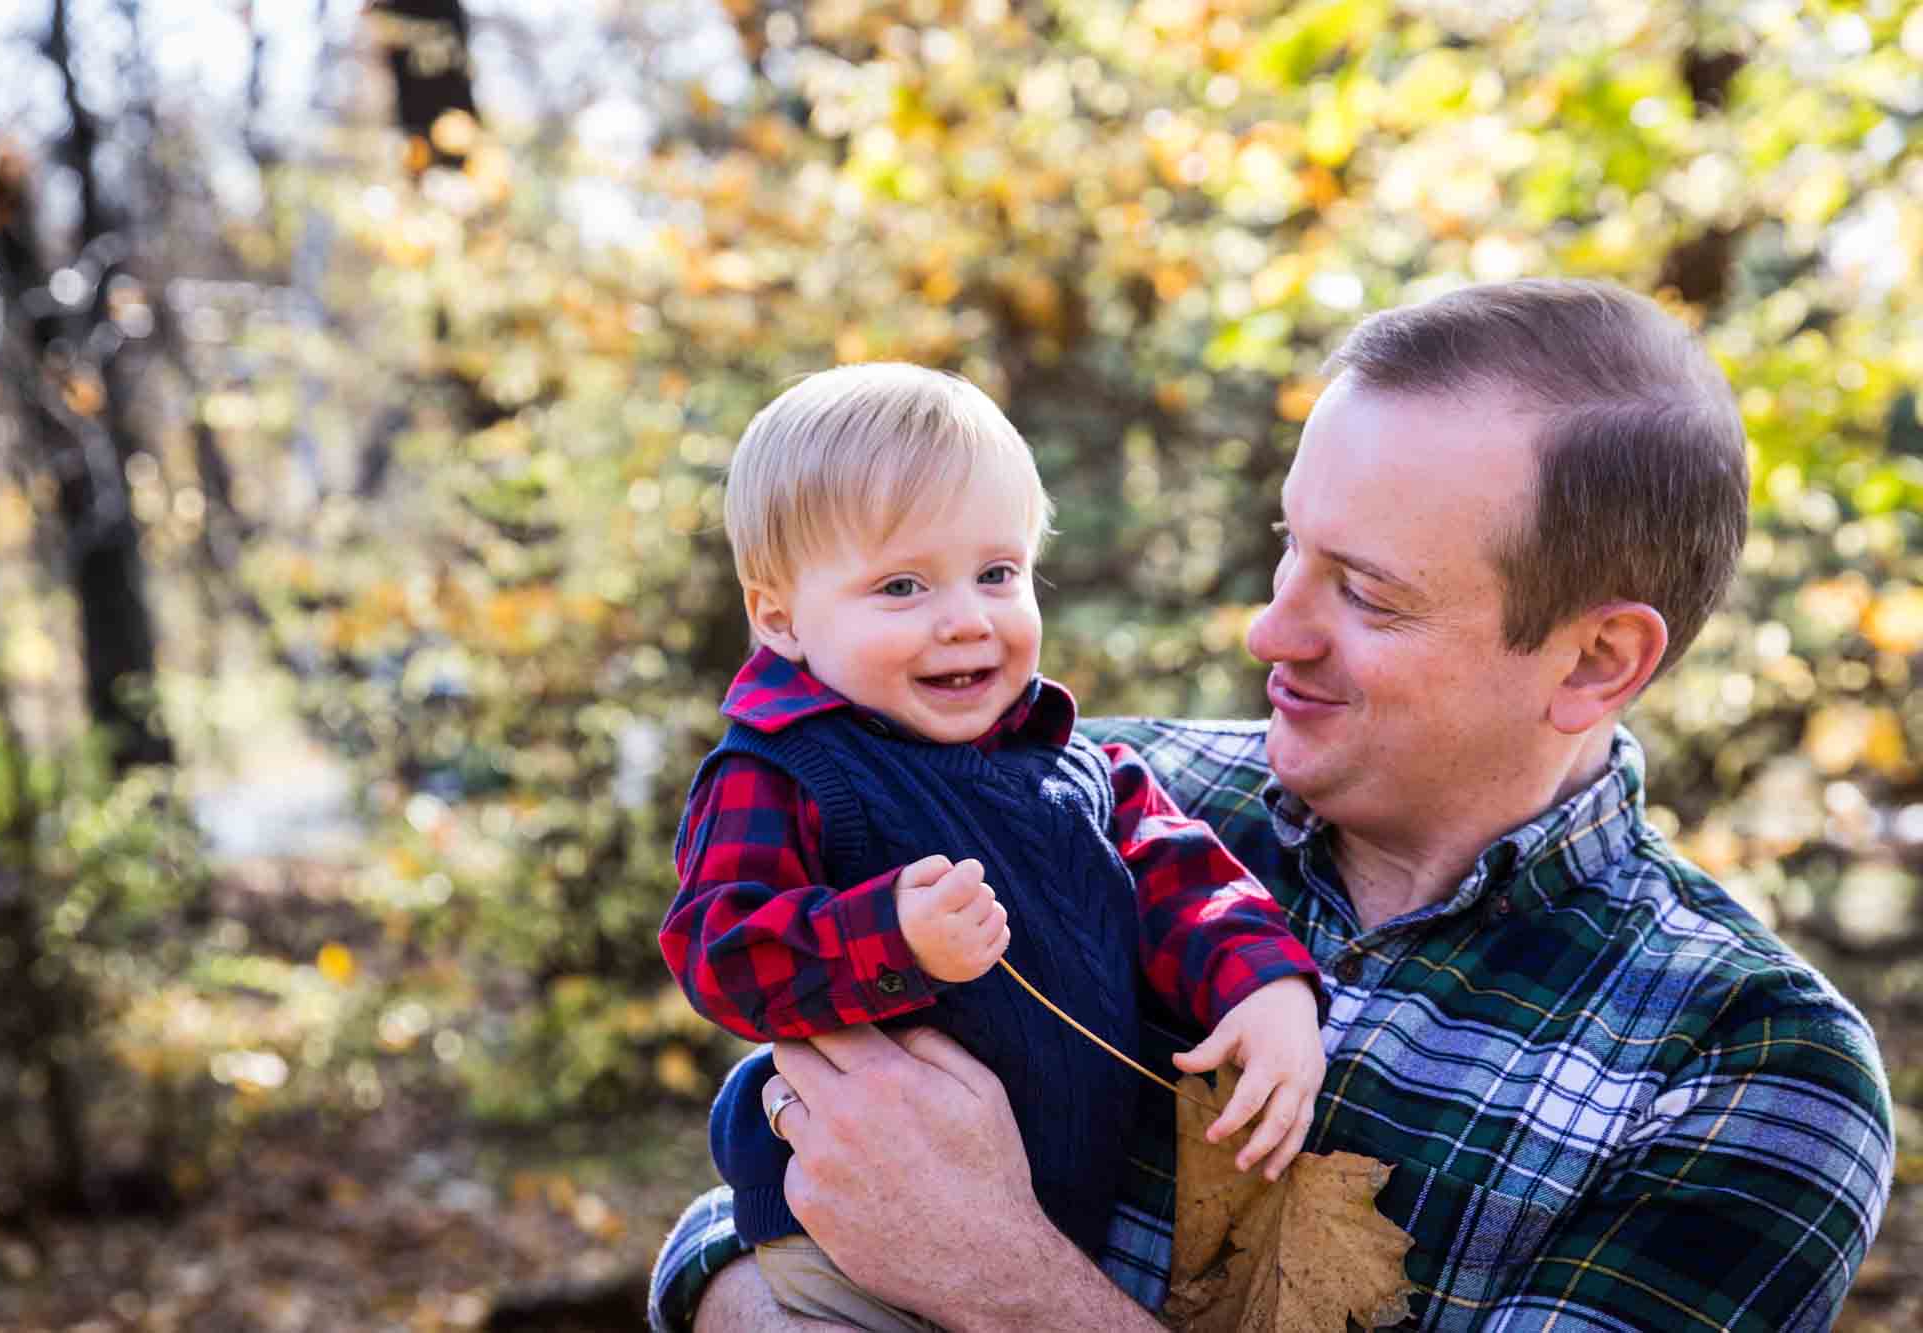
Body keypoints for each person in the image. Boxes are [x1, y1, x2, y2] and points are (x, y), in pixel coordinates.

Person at [648, 279, 1895, 1333]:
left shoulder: (1745, 1072)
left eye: (1364, 592)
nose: (1266, 628)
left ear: (1592, 661)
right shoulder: (1098, 798)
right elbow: (755, 1207)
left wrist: (1003, 1280)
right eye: (1286, 544)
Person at [659, 363, 1329, 1331]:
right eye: (900, 585)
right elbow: (719, 948)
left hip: (1050, 1245)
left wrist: (1265, 987)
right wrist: (888, 937)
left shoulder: (1077, 767)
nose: (966, 617)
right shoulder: (784, 771)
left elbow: (1185, 880)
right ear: (778, 618)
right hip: (845, 1253)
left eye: (997, 573)